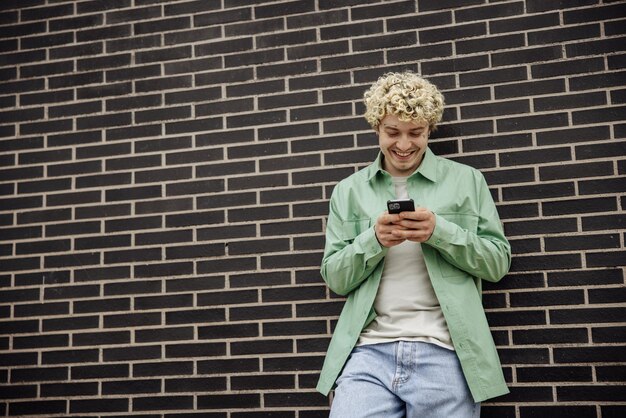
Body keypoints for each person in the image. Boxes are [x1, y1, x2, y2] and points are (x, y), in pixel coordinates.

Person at [315, 71, 511, 417]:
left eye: (415, 133)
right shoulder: (349, 191)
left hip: (447, 352)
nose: (403, 145)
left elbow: (497, 264)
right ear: (376, 127)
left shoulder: (467, 181)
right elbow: (335, 277)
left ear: (429, 130)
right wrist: (373, 240)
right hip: (368, 354)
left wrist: (440, 232)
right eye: (392, 132)